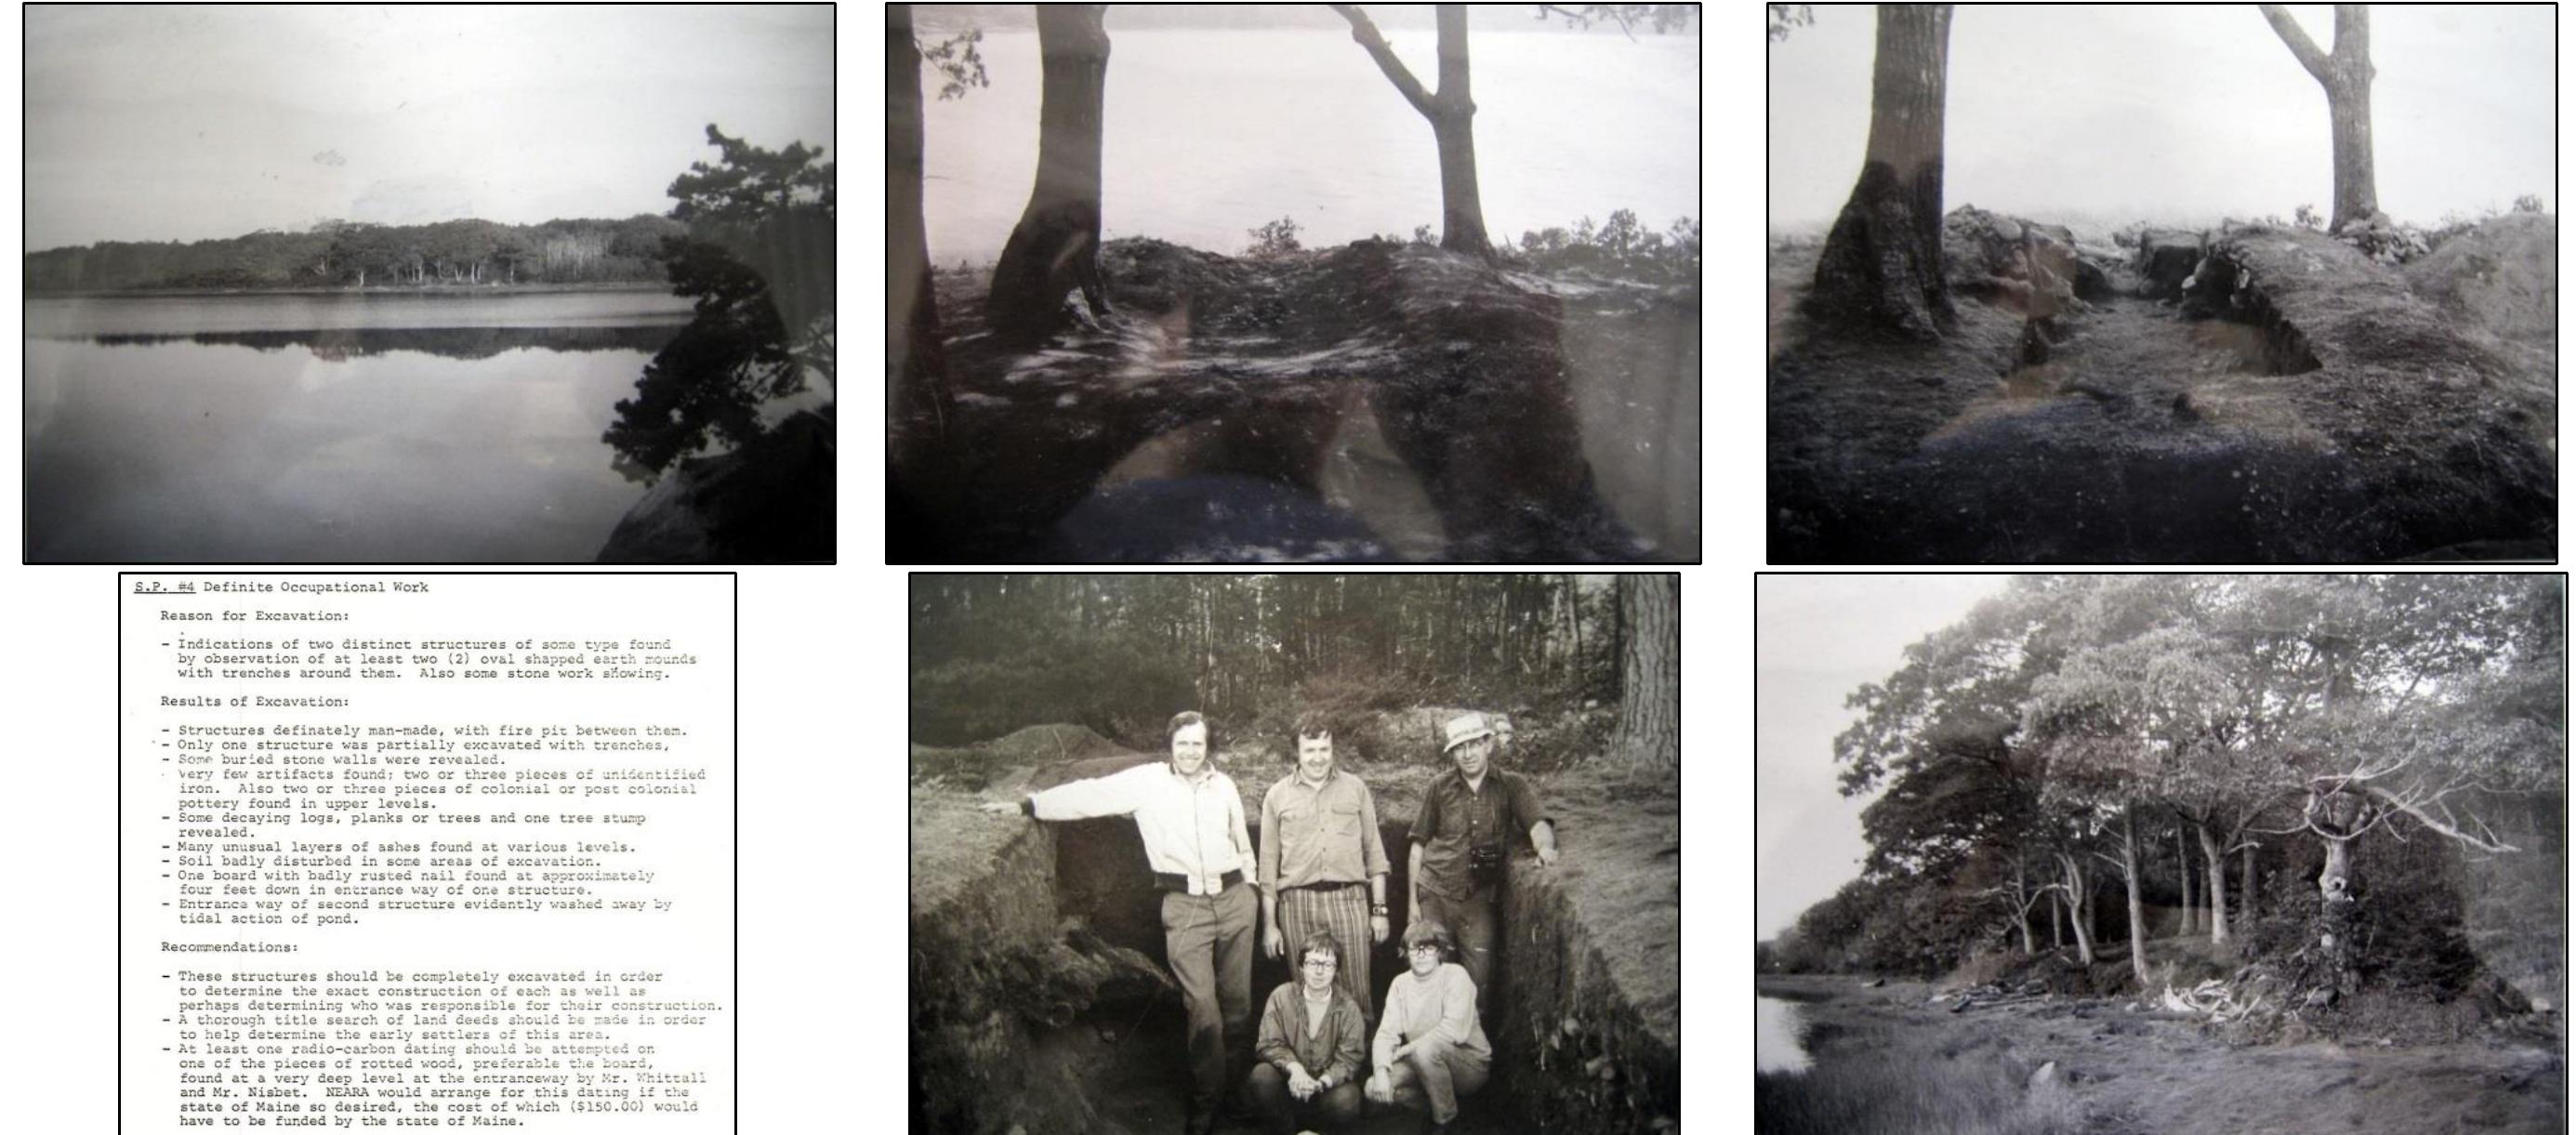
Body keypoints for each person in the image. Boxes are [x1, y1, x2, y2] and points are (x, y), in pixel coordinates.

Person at [983, 711, 1256, 1135]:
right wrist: (1031, 804)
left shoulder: (1224, 785)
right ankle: (1207, 1103)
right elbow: (1091, 794)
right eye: (1182, 744)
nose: (1189, 752)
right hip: (1186, 908)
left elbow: (1242, 842)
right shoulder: (1147, 781)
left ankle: (1235, 1095)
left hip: (1236, 900)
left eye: (1197, 744)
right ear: (1170, 746)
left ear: (1208, 747)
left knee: (1238, 1010)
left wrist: (1251, 888)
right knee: (1204, 1010)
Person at [1407, 710, 1557, 1021]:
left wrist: (1545, 848)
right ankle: (1434, 1056)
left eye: (1474, 744)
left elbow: (1536, 822)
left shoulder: (1510, 785)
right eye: (1460, 748)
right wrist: (1412, 904)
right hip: (1434, 894)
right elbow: (1417, 845)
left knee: (1479, 982)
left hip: (1479, 900)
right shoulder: (1439, 787)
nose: (1468, 753)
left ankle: (1473, 1057)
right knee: (1432, 978)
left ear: (1488, 744)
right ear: (1452, 754)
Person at [1259, 716, 1391, 1024]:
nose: (1318, 757)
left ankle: (1359, 1068)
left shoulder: (1355, 788)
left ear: (1333, 749)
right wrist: (1270, 925)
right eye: (1310, 750)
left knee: (1357, 991)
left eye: (1324, 748)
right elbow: (1267, 867)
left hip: (1349, 901)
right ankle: (1314, 1066)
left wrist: (1380, 909)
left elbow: (1375, 853)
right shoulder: (1276, 796)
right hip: (1297, 904)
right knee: (1309, 993)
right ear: (1297, 753)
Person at [1365, 919, 1489, 1134]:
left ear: (1440, 951)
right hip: (1425, 1062)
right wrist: (1381, 1071)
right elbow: (1386, 1034)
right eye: (1414, 948)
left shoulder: (1455, 975)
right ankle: (1445, 1106)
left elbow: (1454, 1031)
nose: (1421, 954)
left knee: (1424, 1050)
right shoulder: (1400, 984)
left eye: (1428, 948)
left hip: (1468, 1065)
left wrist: (1407, 1049)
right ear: (1405, 953)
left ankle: (1445, 1122)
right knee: (1372, 1087)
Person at [1247, 930, 1368, 1135]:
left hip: (1326, 1091)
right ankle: (1288, 1131)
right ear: (1302, 967)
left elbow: (1349, 1059)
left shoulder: (1349, 1007)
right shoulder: (1281, 996)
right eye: (1313, 963)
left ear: (1336, 970)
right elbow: (1268, 1043)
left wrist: (1321, 1083)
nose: (1319, 971)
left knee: (1347, 1100)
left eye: (1327, 964)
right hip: (1290, 1087)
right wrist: (1296, 1070)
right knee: (1262, 1077)